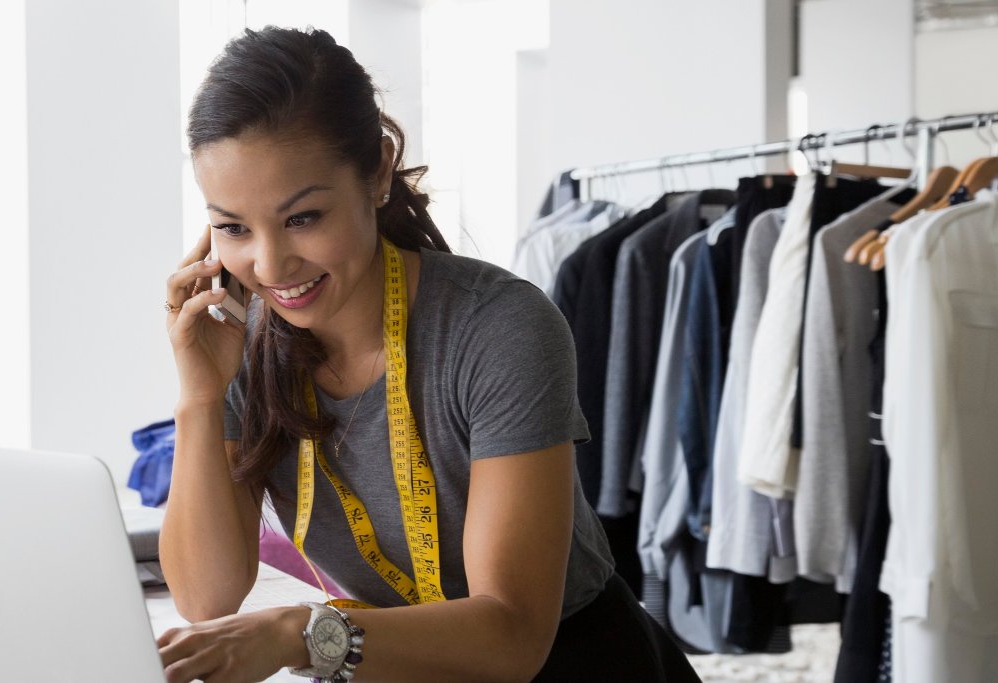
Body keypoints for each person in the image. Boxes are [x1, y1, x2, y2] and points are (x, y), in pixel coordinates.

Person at [155, 27, 698, 683]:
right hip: (386, 661)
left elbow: (512, 636)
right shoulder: (243, 340)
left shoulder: (498, 327)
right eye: (233, 227)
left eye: (303, 218)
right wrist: (201, 397)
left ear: (379, 170)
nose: (269, 263)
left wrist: (298, 631)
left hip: (575, 663)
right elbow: (206, 598)